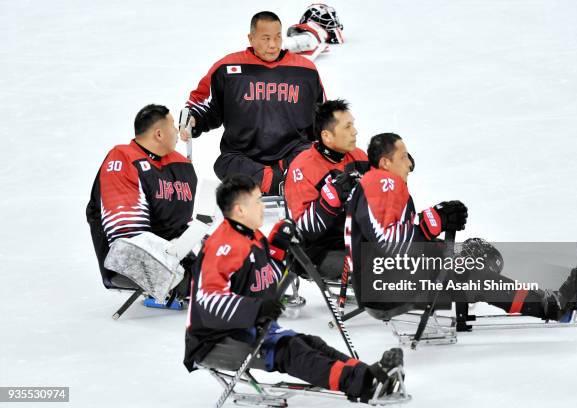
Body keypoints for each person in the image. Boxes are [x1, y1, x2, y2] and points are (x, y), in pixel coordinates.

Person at [183, 174, 402, 403]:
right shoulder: (223, 247)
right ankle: (364, 385)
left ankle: (369, 374)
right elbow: (208, 300)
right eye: (257, 202)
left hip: (247, 329)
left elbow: (265, 281)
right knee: (291, 350)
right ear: (239, 210)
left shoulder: (252, 236)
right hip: (214, 342)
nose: (262, 207)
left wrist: (278, 251)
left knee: (311, 343)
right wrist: (256, 309)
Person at [345, 132, 577, 321]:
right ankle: (553, 308)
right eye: (403, 157)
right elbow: (393, 245)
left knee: (478, 253)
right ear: (385, 162)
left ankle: (470, 287)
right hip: (387, 292)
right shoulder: (382, 183)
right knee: (474, 273)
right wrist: (433, 221)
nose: (410, 163)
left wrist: (433, 228)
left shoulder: (378, 184)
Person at [180, 11, 326, 196]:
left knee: (311, 156)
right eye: (265, 38)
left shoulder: (305, 70)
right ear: (251, 38)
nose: (273, 45)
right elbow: (202, 105)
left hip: (292, 155)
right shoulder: (227, 68)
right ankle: (283, 183)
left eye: (277, 37)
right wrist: (192, 119)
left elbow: (323, 116)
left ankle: (274, 181)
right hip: (244, 157)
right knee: (225, 163)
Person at [86, 104, 197, 291]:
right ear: (159, 134)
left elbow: (182, 222)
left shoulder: (181, 164)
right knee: (216, 285)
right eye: (172, 126)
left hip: (174, 254)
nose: (177, 131)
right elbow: (126, 242)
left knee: (236, 264)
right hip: (134, 261)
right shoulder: (122, 159)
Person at [284, 99, 368, 279]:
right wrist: (330, 200)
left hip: (354, 240)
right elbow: (304, 231)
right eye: (347, 127)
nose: (355, 131)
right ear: (327, 136)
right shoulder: (302, 168)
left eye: (353, 125)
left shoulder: (358, 156)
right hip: (318, 251)